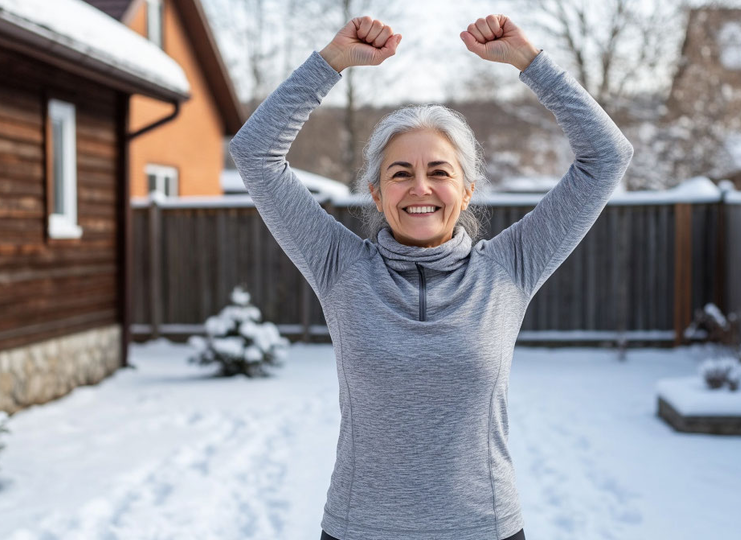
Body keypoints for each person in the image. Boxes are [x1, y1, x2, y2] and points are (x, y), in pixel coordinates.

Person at [229, 13, 633, 540]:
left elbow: (607, 157)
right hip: (358, 530)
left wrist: (531, 64)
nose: (420, 188)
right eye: (401, 173)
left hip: (485, 529)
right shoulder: (340, 267)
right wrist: (330, 63)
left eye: (439, 172)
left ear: (466, 191)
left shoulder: (509, 268)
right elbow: (255, 153)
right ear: (376, 193)